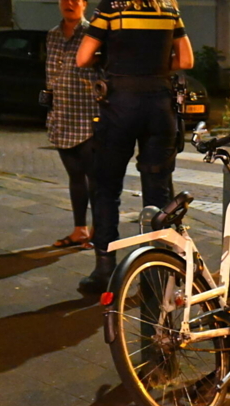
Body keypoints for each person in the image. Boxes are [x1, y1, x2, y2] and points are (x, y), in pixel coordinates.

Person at [75, 0, 194, 293]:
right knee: (158, 192)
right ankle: (155, 277)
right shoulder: (168, 8)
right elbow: (186, 60)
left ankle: (105, 270)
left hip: (120, 106)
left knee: (107, 188)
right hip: (160, 105)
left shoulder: (111, 8)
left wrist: (113, 63)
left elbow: (82, 57)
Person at [47, 0, 99, 249]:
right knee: (75, 177)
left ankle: (99, 230)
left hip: (88, 118)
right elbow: (51, 75)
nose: (70, 3)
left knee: (95, 178)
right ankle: (79, 230)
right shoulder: (53, 35)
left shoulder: (94, 33)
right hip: (63, 117)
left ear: (84, 4)